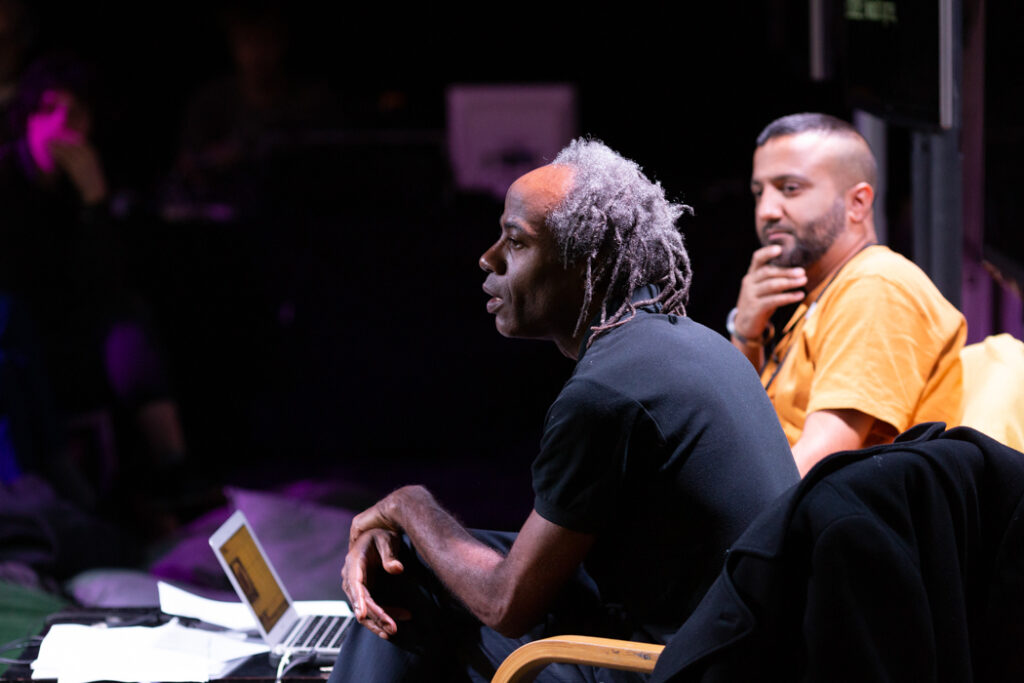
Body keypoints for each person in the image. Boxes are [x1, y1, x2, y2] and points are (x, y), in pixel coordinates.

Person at [328, 138, 799, 682]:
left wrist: (407, 505)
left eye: (517, 241)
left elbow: (506, 605)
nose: (489, 258)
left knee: (404, 584)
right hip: (733, 650)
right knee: (417, 555)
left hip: (670, 667)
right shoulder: (692, 342)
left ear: (586, 263)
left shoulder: (607, 394)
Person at [727, 112, 966, 476]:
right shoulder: (825, 293)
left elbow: (812, 470)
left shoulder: (876, 286)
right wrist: (747, 334)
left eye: (790, 188)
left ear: (858, 203)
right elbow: (740, 431)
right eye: (760, 192)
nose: (767, 211)